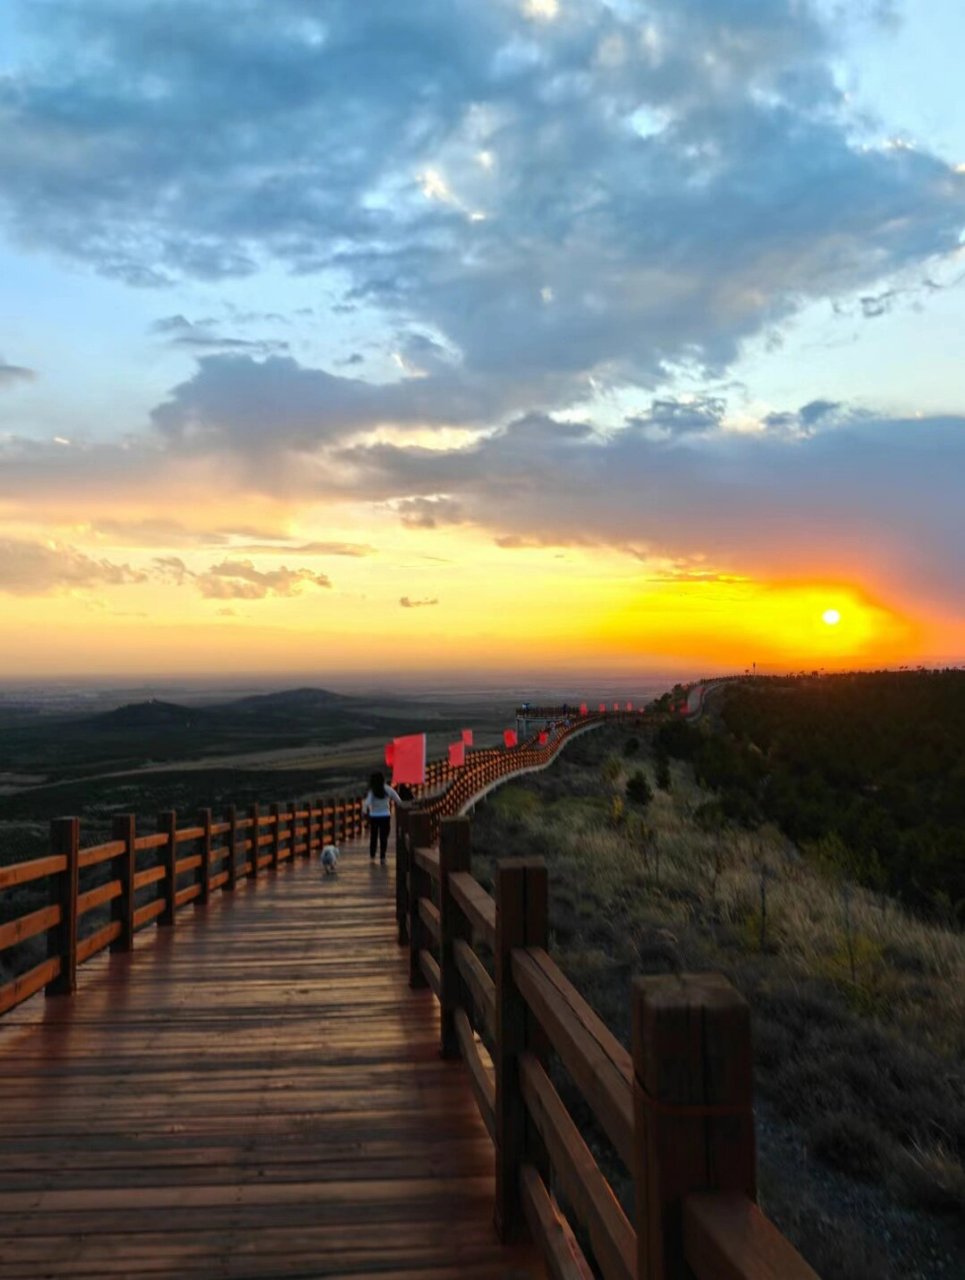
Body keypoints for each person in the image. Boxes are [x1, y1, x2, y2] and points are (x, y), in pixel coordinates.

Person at [362, 771, 405, 863]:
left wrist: (364, 813)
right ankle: (382, 856)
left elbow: (366, 804)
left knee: (373, 836)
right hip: (385, 816)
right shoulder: (388, 789)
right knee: (383, 837)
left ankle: (372, 855)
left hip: (374, 816)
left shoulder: (372, 791)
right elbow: (398, 800)